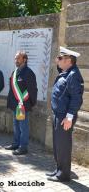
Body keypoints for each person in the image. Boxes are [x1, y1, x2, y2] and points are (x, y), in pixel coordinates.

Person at [47, 47, 84, 182]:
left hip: (64, 117)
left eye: (61, 58)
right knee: (58, 145)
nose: (58, 60)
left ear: (69, 61)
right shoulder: (65, 72)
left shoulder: (73, 75)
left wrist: (69, 117)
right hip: (58, 114)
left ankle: (64, 174)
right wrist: (59, 62)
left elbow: (76, 98)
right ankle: (59, 170)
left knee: (63, 145)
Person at [5, 51, 37, 155]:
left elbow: (31, 89)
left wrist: (22, 101)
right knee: (16, 125)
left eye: (18, 58)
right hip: (15, 105)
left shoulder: (29, 73)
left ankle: (23, 147)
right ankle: (16, 143)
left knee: (23, 126)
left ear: (24, 59)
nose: (16, 60)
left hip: (23, 105)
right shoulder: (15, 72)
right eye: (15, 58)